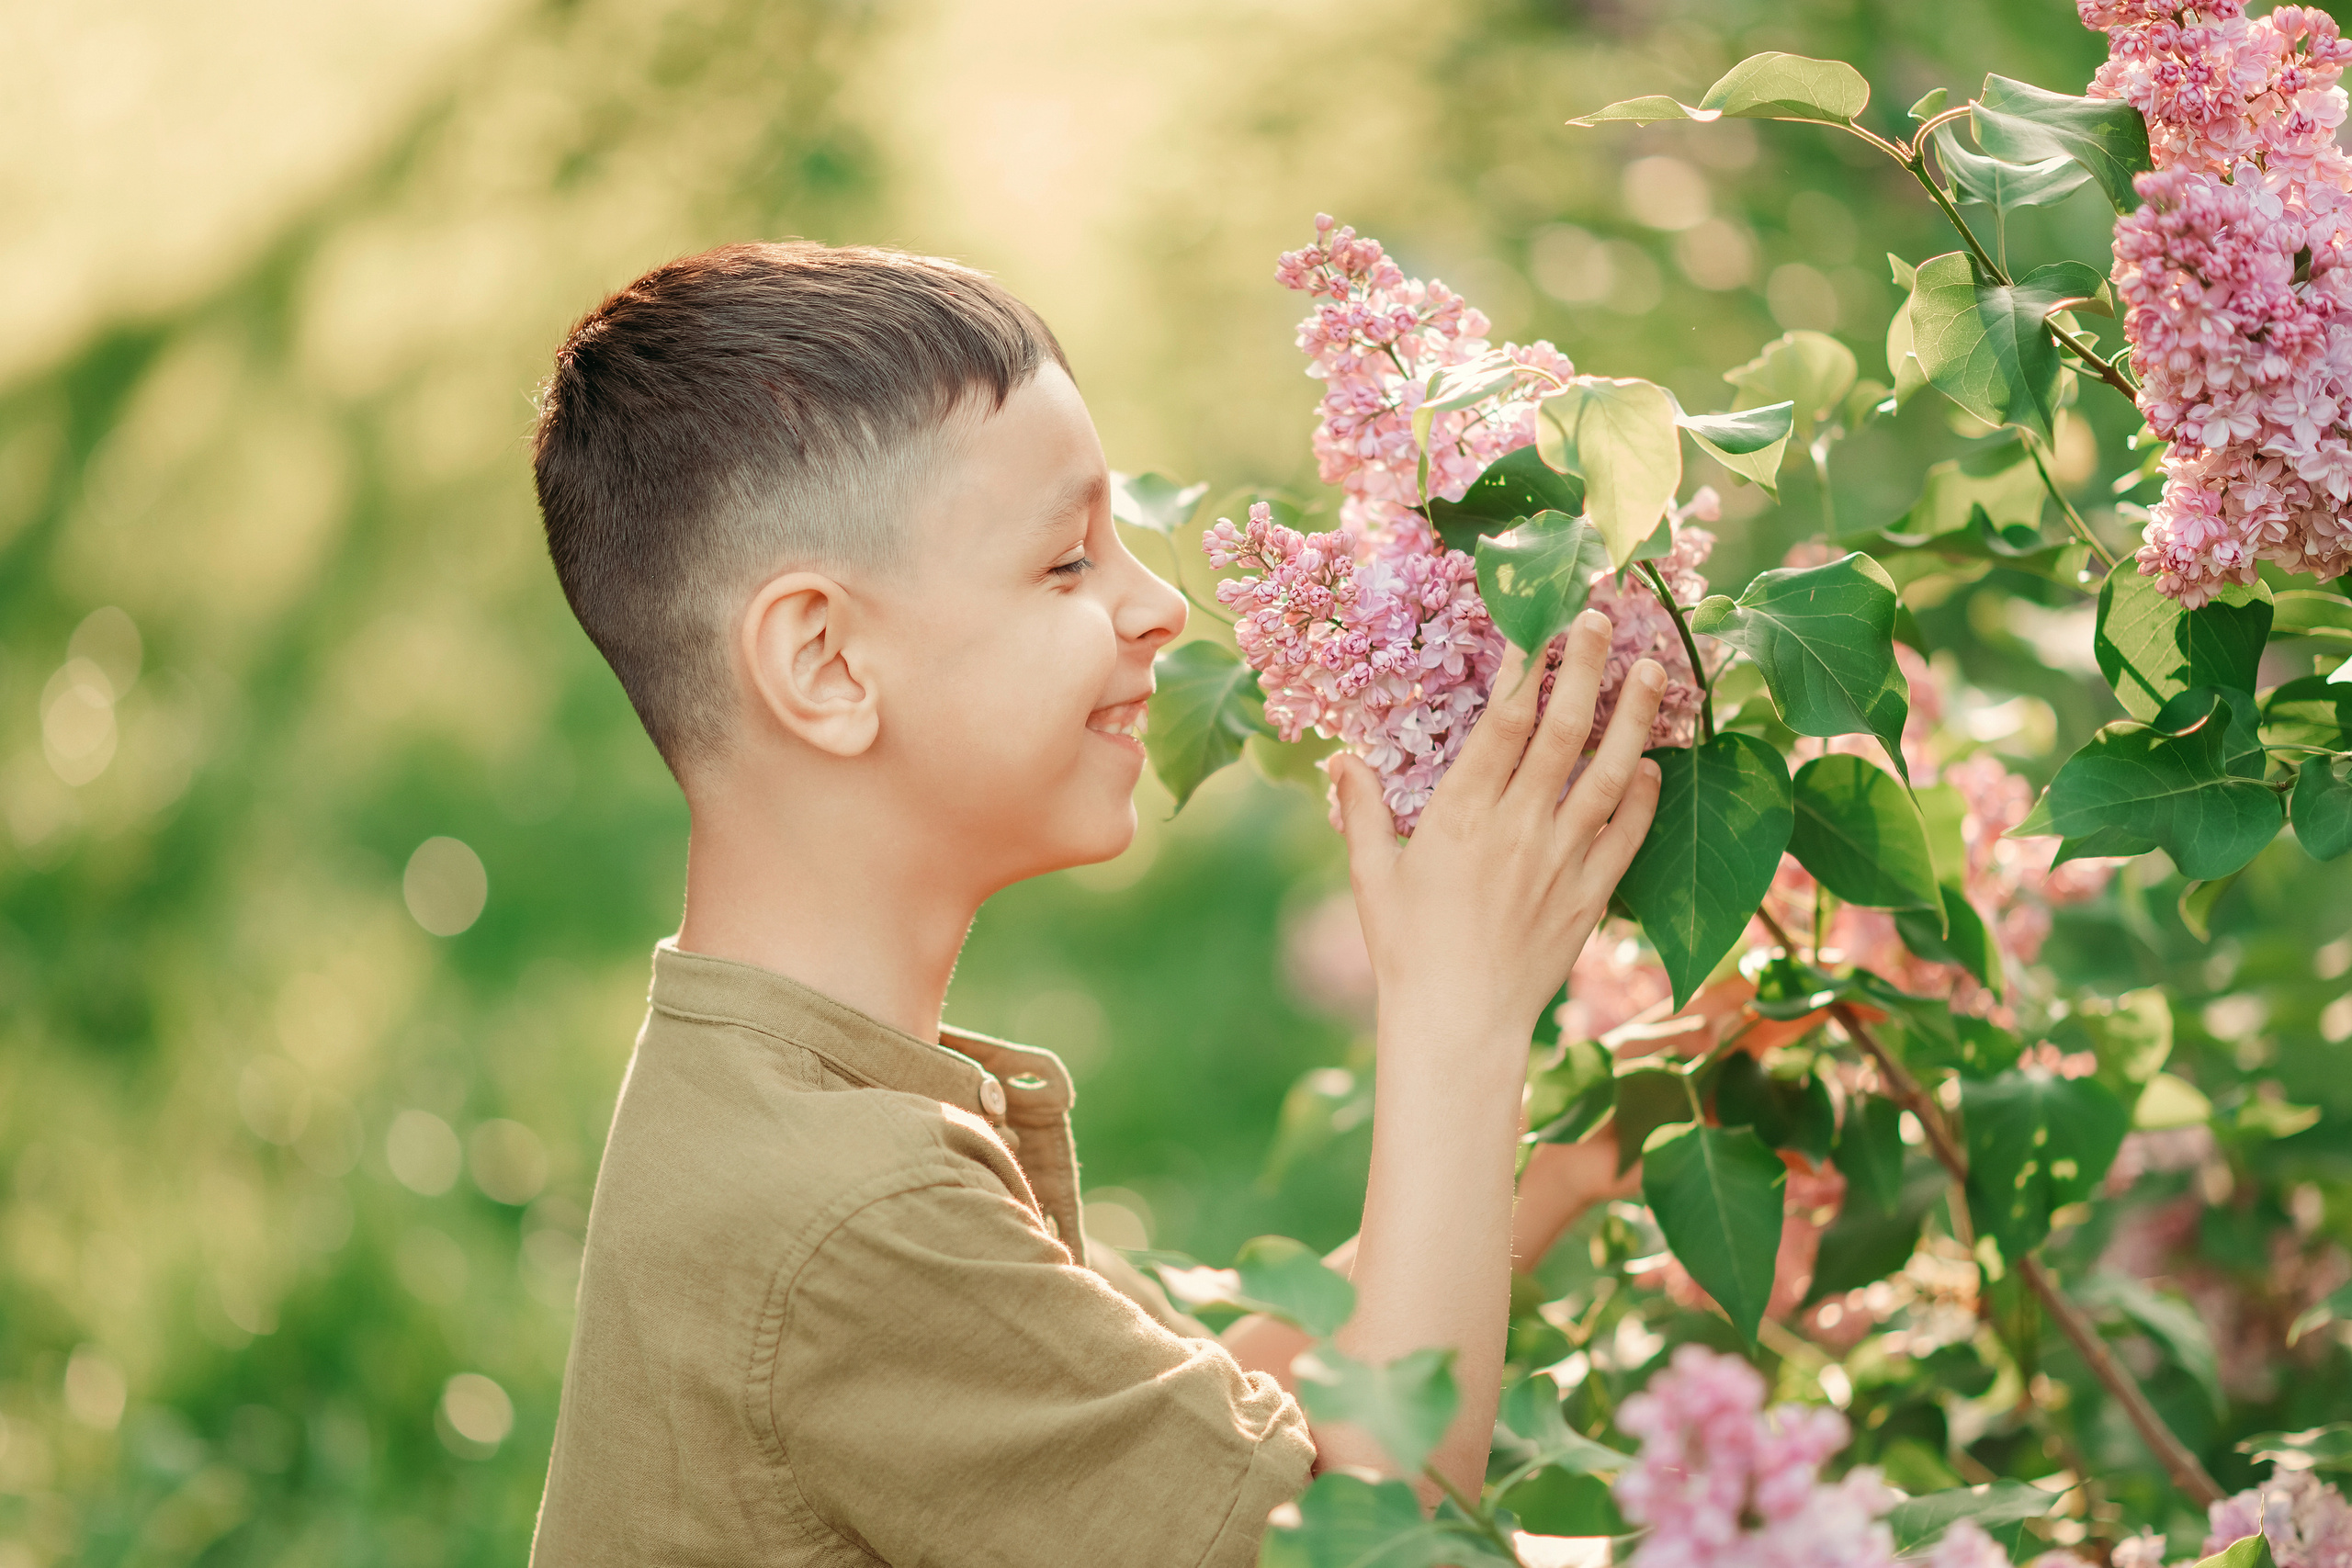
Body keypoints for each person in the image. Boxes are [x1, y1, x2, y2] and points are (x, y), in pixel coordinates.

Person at [524, 240, 1666, 1566]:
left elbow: (1203, 1459)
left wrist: (1578, 1151)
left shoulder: (787, 1106)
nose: (1162, 605)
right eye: (1068, 563)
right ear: (826, 661)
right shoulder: (852, 1213)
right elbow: (1360, 1545)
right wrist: (1462, 1015)